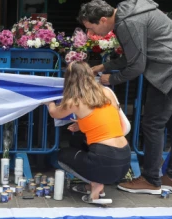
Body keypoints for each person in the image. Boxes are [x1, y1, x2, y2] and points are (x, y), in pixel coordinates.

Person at [78, 0, 172, 195]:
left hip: (171, 69)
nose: (93, 35)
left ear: (103, 19)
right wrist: (104, 66)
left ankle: (151, 180)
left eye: (92, 28)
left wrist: (113, 79)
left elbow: (137, 65)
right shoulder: (132, 12)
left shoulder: (127, 23)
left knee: (153, 124)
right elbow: (135, 54)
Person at [46, 61, 131, 205]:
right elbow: (110, 117)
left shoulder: (75, 100)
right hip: (124, 159)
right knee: (77, 142)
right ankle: (97, 182)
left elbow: (55, 113)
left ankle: (96, 184)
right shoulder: (107, 92)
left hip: (104, 157)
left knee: (61, 156)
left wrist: (48, 101)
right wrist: (82, 123)